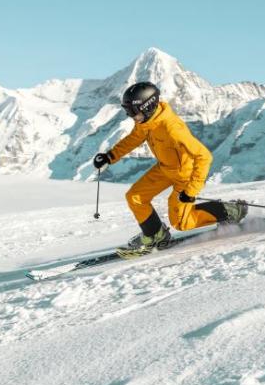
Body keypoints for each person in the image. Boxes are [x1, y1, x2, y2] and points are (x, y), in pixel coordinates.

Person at [93, 81, 248, 257]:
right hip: (165, 169)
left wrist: (191, 190)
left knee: (182, 223)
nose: (131, 116)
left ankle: (230, 211)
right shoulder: (146, 122)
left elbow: (204, 156)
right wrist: (110, 156)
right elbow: (134, 138)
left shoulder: (172, 129)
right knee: (135, 197)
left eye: (133, 111)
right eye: (128, 111)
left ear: (147, 107)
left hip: (185, 175)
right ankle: (156, 235)